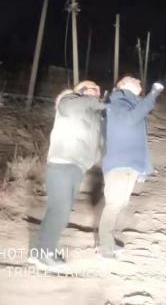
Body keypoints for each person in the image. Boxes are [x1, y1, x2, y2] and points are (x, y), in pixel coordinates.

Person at [29, 80, 104, 269]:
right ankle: (44, 255)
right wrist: (98, 103)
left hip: (77, 167)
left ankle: (41, 252)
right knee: (59, 211)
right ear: (82, 91)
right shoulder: (69, 102)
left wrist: (93, 158)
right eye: (95, 90)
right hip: (62, 163)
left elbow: (96, 142)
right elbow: (72, 105)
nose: (98, 94)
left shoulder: (90, 115)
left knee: (60, 211)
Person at [98, 76, 164, 258]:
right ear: (124, 85)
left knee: (120, 203)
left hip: (129, 164)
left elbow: (139, 134)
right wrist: (153, 93)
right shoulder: (118, 102)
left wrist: (144, 168)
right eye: (134, 80)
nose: (139, 82)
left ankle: (108, 242)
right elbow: (132, 119)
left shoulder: (130, 103)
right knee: (113, 204)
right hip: (119, 163)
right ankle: (105, 248)